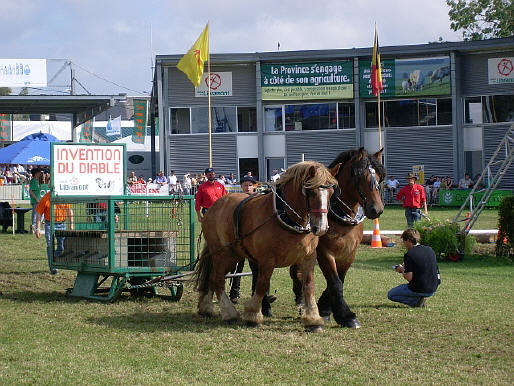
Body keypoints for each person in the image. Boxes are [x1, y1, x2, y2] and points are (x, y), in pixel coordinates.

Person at [228, 175, 275, 317]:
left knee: (259, 271)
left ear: (254, 186)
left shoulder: (258, 200)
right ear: (241, 186)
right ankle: (234, 293)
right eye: (245, 185)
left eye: (250, 185)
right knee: (237, 268)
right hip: (240, 241)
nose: (247, 187)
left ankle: (259, 295)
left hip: (255, 243)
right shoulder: (237, 200)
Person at [388, 229, 440, 308]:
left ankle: (416, 302)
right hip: (433, 288)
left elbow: (409, 277)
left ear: (408, 240)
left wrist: (401, 269)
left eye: (404, 242)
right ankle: (419, 299)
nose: (404, 244)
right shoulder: (429, 249)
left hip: (419, 288)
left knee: (391, 294)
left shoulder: (409, 254)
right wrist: (407, 265)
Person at [35, 189, 74, 274]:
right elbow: (39, 213)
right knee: (50, 245)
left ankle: (54, 258)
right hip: (49, 223)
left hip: (62, 224)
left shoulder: (64, 197)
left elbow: (69, 210)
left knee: (62, 246)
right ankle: (53, 267)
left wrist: (71, 224)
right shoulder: (46, 197)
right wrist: (37, 228)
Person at [29, 168, 42, 234]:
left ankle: (35, 226)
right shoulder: (33, 181)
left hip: (38, 200)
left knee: (39, 214)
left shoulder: (36, 181)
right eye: (39, 172)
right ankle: (33, 227)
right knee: (35, 214)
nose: (40, 174)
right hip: (35, 201)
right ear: (36, 173)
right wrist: (37, 199)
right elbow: (31, 191)